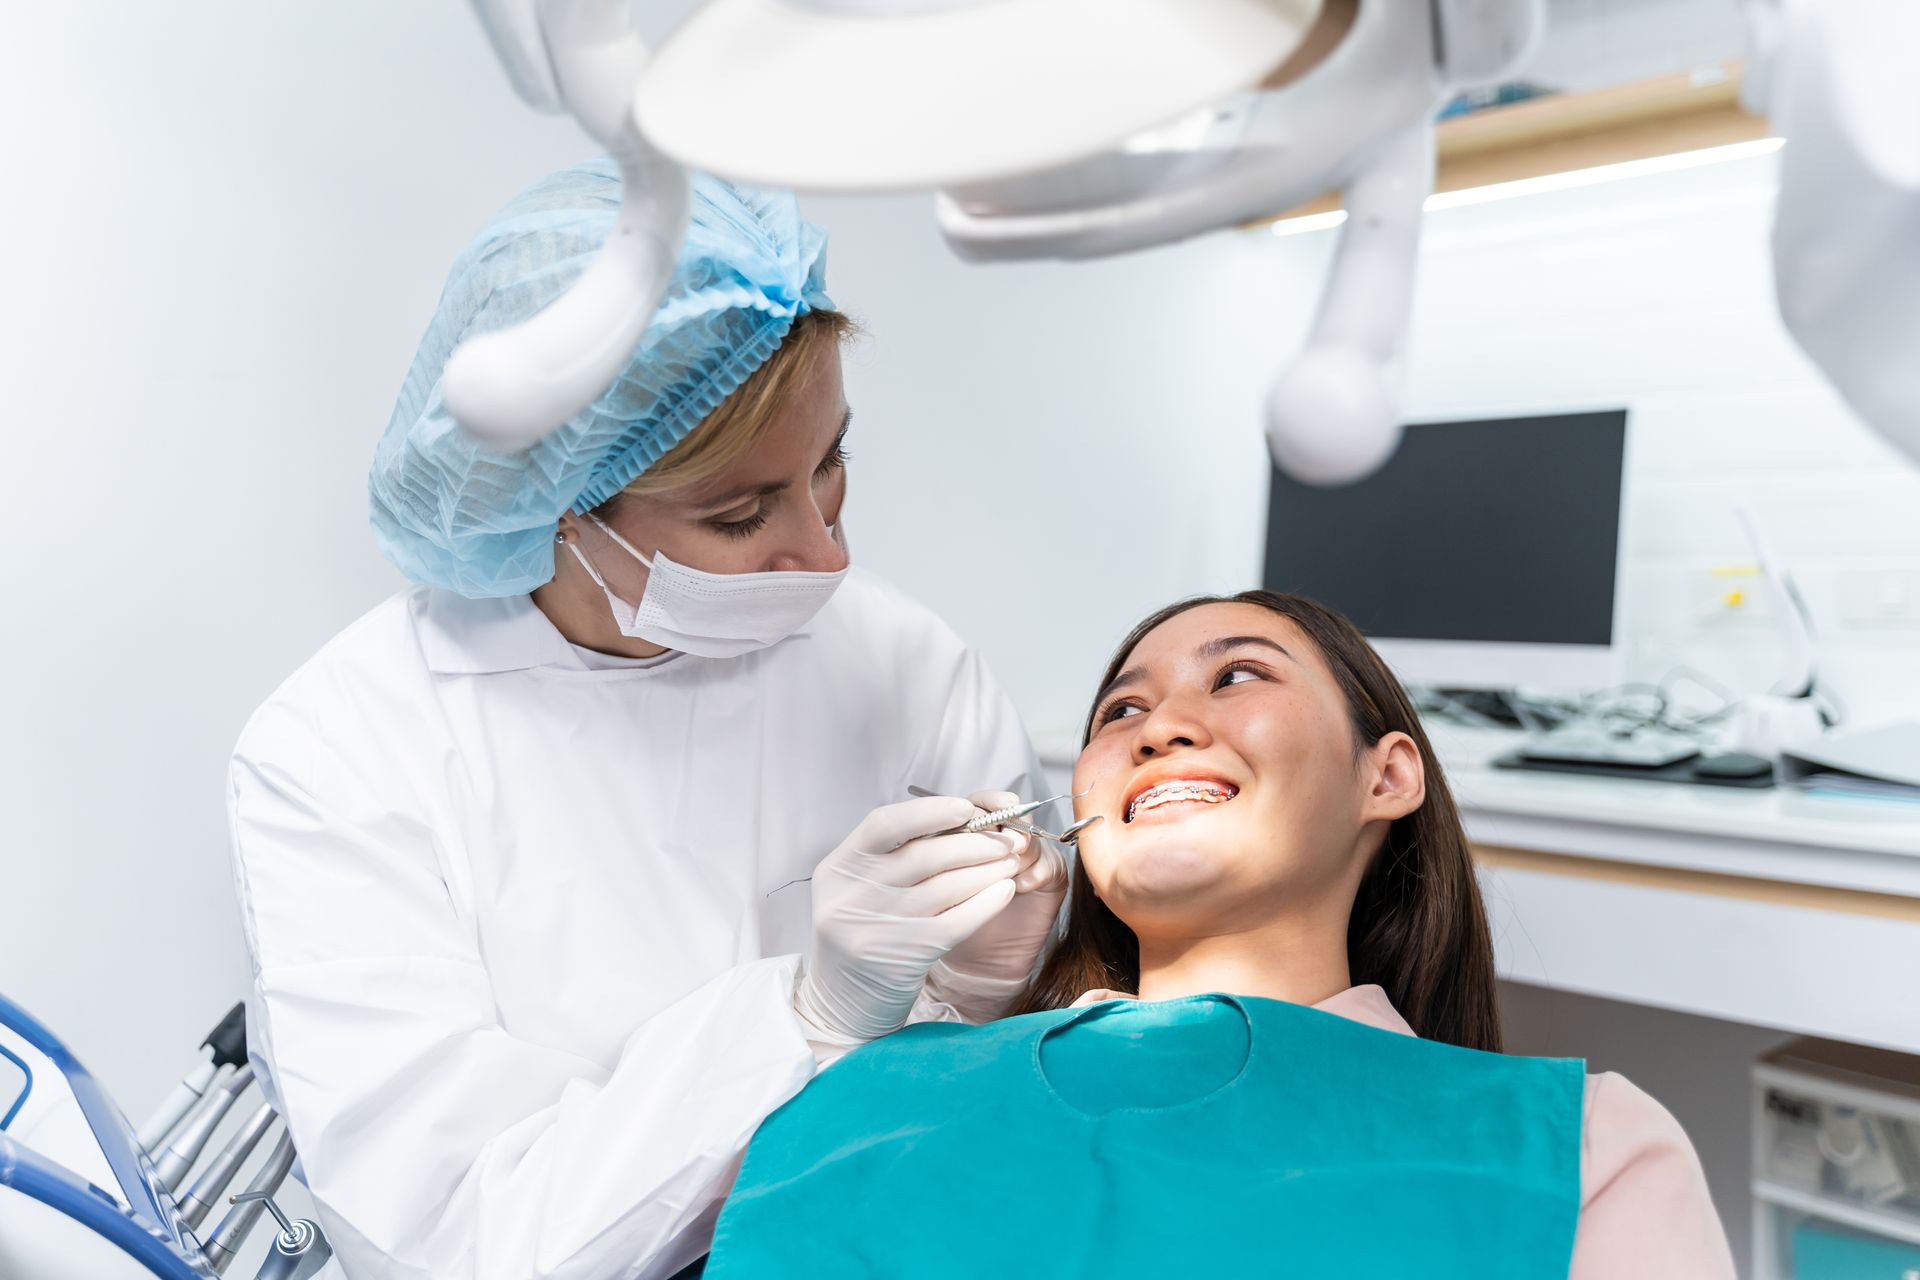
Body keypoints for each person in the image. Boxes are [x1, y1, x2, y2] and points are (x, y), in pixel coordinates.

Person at [226, 160, 1066, 1280]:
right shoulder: (343, 750)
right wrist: (805, 1014)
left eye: (833, 466)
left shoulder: (904, 662)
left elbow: (1011, 1099)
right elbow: (450, 1236)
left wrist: (986, 988)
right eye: (741, 513)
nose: (827, 552)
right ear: (558, 504)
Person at [705, 591, 1736, 1279]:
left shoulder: (1583, 1148)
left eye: (1237, 675)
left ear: (1388, 775)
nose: (1159, 725)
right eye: (1122, 709)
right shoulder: (859, 1099)